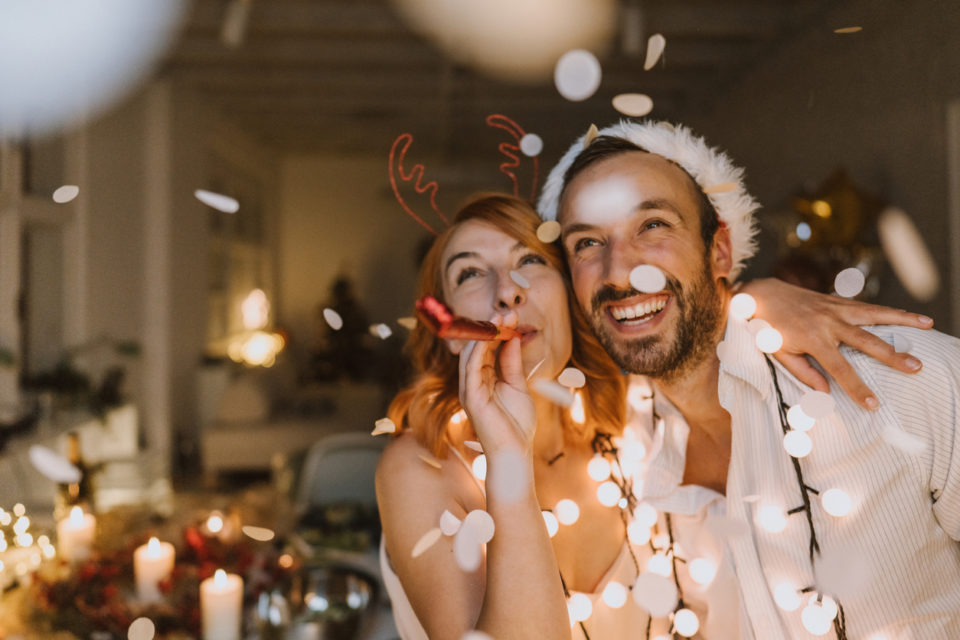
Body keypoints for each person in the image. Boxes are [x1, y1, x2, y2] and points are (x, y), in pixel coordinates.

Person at [375, 191, 933, 639]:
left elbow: (700, 332)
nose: (507, 294)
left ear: (572, 299)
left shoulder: (634, 425)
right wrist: (505, 455)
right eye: (470, 274)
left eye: (529, 261)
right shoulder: (419, 468)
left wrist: (758, 299)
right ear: (447, 335)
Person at [538, 120, 960, 638]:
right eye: (587, 243)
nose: (620, 270)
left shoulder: (905, 380)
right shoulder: (619, 455)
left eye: (652, 226)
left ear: (719, 250)